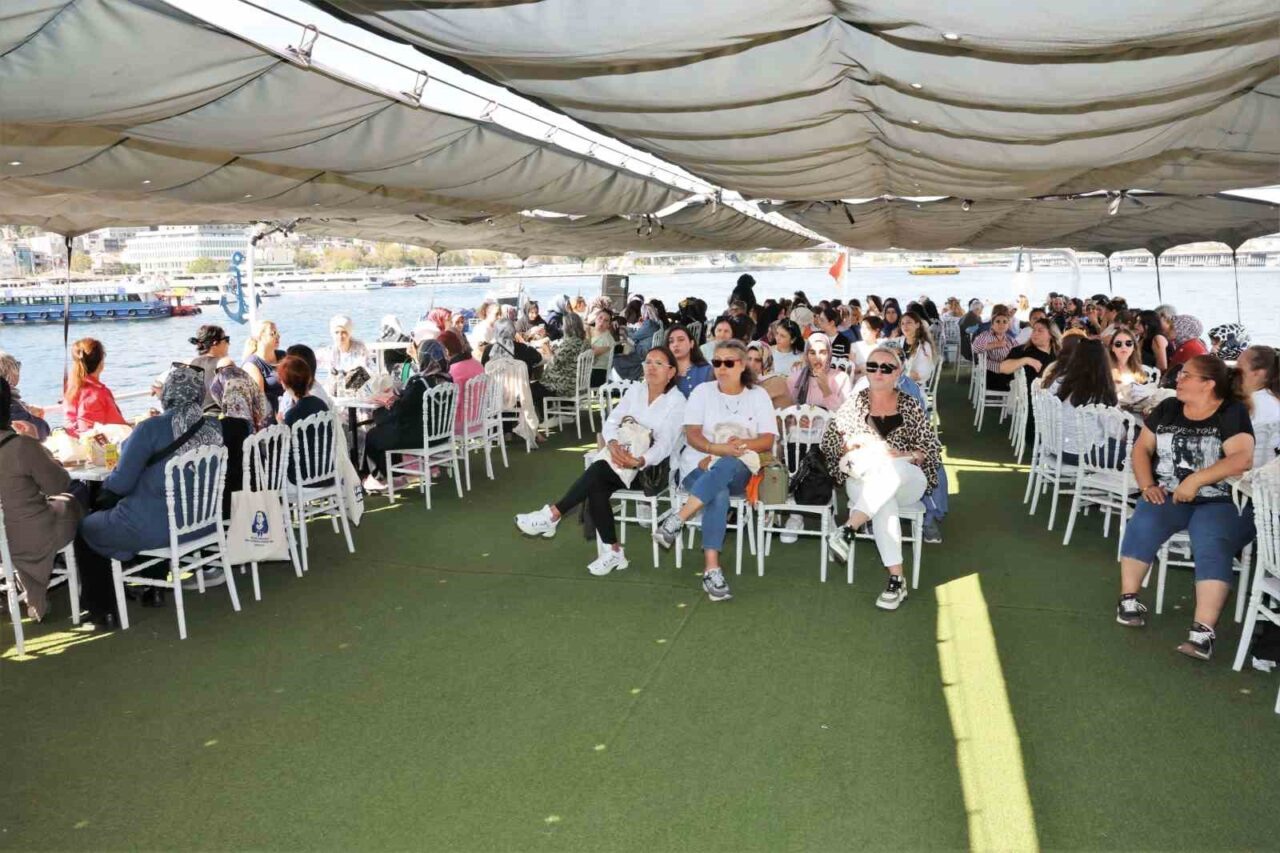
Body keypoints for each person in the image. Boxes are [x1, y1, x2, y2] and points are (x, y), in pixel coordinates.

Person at [1115, 355, 1256, 660]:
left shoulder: (1231, 412)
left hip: (1222, 499)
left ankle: (1203, 632)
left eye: (1186, 375)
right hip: (1170, 494)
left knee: (1211, 539)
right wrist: (1147, 485)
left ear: (1208, 384)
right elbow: (1142, 448)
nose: (1178, 378)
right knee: (1145, 518)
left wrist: (1196, 480)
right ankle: (1128, 599)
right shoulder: (1168, 408)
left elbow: (1241, 459)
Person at [516, 347, 685, 576]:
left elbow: (664, 445)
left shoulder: (677, 402)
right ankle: (611, 550)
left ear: (671, 371)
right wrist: (613, 445)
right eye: (648, 362)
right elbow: (612, 422)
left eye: (658, 363)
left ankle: (554, 514)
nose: (651, 367)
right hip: (618, 460)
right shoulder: (636, 390)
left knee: (598, 474)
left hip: (652, 470)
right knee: (598, 480)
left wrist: (639, 461)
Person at [76, 365, 225, 616]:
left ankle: (103, 610)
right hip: (202, 524)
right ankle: (152, 588)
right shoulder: (213, 426)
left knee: (88, 526)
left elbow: (120, 483)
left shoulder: (150, 429)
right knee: (149, 506)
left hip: (157, 528)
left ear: (169, 392)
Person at [652, 340, 777, 602]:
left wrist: (736, 447)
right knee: (717, 493)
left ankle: (678, 519)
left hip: (740, 470)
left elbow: (767, 440)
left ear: (742, 365)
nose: (721, 367)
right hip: (696, 465)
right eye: (717, 362)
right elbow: (692, 434)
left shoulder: (758, 395)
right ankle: (711, 569)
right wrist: (715, 448)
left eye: (728, 362)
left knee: (730, 461)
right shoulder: (702, 392)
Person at [821, 346, 942, 610]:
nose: (879, 372)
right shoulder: (855, 403)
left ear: (898, 373)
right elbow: (829, 442)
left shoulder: (910, 404)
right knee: (883, 503)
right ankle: (896, 580)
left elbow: (931, 450)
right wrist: (853, 442)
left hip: (907, 479)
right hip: (864, 479)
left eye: (887, 368)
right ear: (866, 370)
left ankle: (849, 528)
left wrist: (904, 454)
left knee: (892, 469)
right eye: (873, 366)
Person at [0, 377, 82, 621]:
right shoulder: (20, 446)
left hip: (4, 538)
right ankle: (92, 583)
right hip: (27, 537)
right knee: (76, 497)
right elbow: (58, 484)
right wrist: (36, 444)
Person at [364, 341, 454, 484]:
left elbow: (401, 411)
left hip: (419, 437)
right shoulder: (447, 380)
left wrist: (381, 412)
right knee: (385, 427)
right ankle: (395, 475)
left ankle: (381, 478)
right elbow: (410, 405)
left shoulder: (419, 383)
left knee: (373, 435)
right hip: (440, 435)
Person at [1051, 338, 1119, 464]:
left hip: (1055, 446)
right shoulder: (1098, 390)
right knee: (1138, 454)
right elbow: (1113, 430)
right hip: (1082, 453)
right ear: (1104, 362)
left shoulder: (1062, 382)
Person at [63, 338, 127, 437]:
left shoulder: (72, 388)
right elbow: (119, 427)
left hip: (76, 441)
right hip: (102, 443)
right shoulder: (97, 394)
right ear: (101, 362)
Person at [530, 313, 588, 419]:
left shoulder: (570, 344)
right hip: (574, 383)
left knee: (530, 389)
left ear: (568, 327)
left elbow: (554, 362)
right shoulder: (584, 342)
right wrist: (555, 350)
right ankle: (556, 413)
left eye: (563, 325)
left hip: (563, 386)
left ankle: (547, 417)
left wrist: (547, 349)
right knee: (537, 386)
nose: (562, 327)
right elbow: (565, 359)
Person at [787, 332, 852, 412]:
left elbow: (844, 414)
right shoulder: (795, 378)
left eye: (822, 352)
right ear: (806, 355)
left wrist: (826, 390)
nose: (817, 358)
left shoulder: (841, 378)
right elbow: (789, 412)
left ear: (829, 354)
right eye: (812, 353)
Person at [1240, 345, 1280, 467]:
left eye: (1239, 366)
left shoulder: (1252, 405)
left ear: (1257, 373)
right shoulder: (1272, 399)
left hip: (1247, 473)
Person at [0, 352, 50, 440]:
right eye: (17, 365)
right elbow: (42, 432)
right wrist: (35, 418)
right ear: (11, 373)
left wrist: (26, 409)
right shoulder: (9, 404)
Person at [242, 320, 284, 418]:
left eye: (278, 333)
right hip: (273, 415)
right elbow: (258, 401)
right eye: (273, 333)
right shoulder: (252, 364)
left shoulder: (283, 355)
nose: (278, 336)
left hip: (290, 407)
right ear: (259, 337)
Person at [971, 305, 1017, 391]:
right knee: (1016, 382)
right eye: (998, 321)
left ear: (1008, 325)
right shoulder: (986, 335)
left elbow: (1018, 351)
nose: (1001, 324)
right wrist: (995, 344)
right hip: (992, 374)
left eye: (1004, 322)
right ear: (992, 325)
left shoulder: (1010, 339)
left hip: (1007, 370)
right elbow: (975, 348)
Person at [612, 303, 662, 381]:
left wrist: (624, 330)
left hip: (641, 352)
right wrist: (628, 329)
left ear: (644, 313)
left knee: (616, 357)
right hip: (647, 350)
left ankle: (624, 379)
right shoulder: (656, 323)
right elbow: (639, 334)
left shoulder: (649, 324)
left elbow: (634, 337)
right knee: (620, 351)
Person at [186, 324, 231, 409]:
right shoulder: (224, 363)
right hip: (219, 415)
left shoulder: (190, 364)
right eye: (227, 339)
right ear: (215, 343)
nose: (229, 344)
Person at [666, 324, 713, 398]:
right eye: (671, 341)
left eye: (681, 340)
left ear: (691, 343)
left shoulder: (707, 371)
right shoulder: (663, 373)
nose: (675, 344)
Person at [746, 342, 792, 409]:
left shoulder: (776, 382)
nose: (752, 364)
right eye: (749, 359)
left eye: (758, 360)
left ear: (766, 361)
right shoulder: (743, 381)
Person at [325, 314, 371, 379]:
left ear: (349, 333)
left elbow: (366, 369)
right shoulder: (330, 351)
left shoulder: (360, 348)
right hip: (337, 383)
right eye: (336, 332)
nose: (340, 336)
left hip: (358, 382)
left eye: (343, 332)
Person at [900, 308, 938, 385]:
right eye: (902, 323)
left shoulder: (925, 346)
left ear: (917, 325)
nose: (905, 326)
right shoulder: (899, 341)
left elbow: (923, 374)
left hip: (915, 386)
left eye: (909, 322)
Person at [587, 310, 617, 387]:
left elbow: (589, 354)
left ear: (608, 325)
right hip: (586, 370)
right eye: (600, 318)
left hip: (597, 373)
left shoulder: (608, 339)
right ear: (595, 319)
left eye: (606, 320)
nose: (602, 321)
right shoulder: (589, 330)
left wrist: (587, 334)